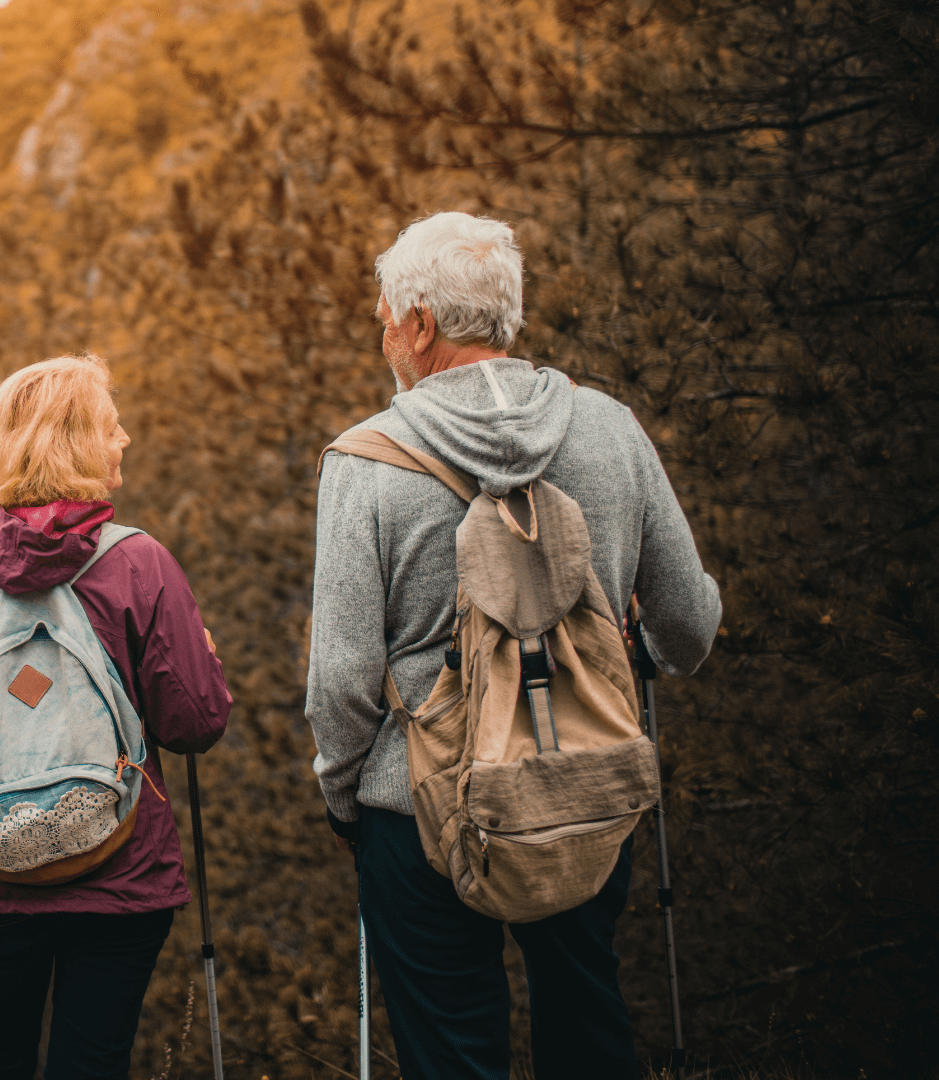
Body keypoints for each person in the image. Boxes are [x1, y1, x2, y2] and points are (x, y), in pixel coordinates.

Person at [305, 212, 722, 1079]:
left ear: (420, 324)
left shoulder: (365, 462)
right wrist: (634, 655)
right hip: (586, 784)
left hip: (417, 809)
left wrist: (344, 796)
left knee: (454, 1052)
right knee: (586, 1018)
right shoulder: (610, 428)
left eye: (385, 315)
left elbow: (341, 681)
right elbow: (690, 622)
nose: (383, 332)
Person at [0, 354, 230, 1080]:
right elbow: (194, 723)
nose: (125, 438)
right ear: (75, 443)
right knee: (93, 1063)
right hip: (121, 867)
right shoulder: (141, 565)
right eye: (111, 426)